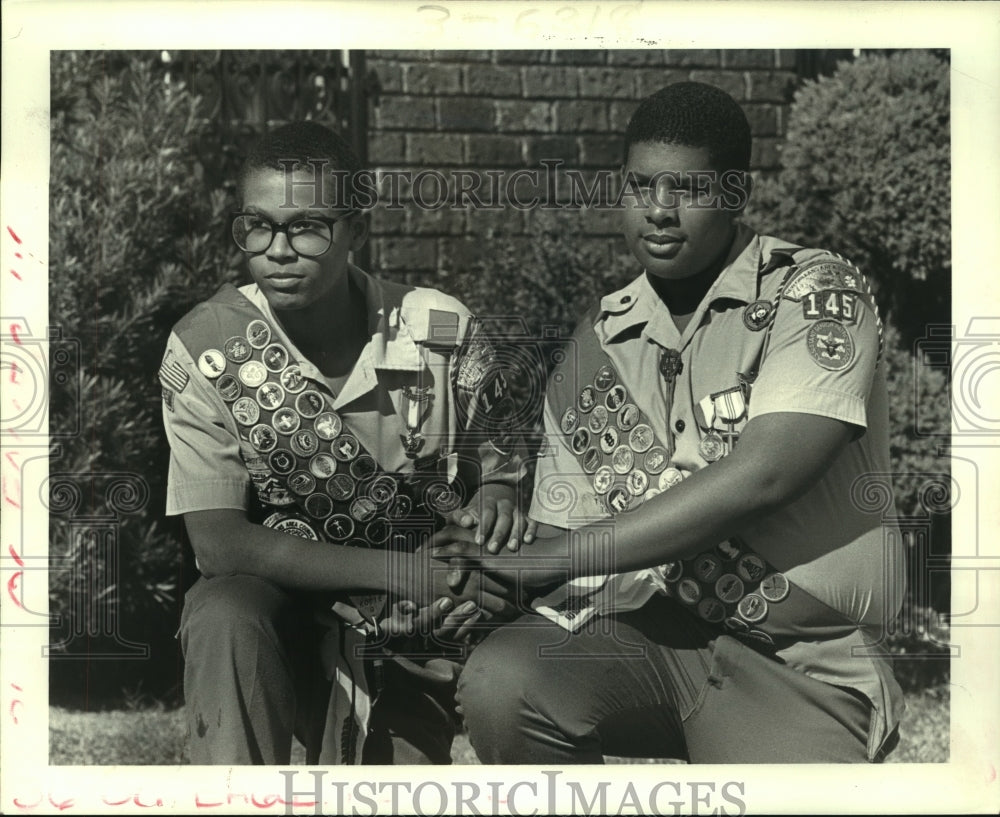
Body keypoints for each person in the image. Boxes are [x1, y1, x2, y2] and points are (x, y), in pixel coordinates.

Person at [447, 81, 905, 763]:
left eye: (687, 189)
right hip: (660, 638)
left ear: (736, 194)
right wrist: (476, 575)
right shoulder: (597, 342)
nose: (659, 211)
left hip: (802, 661)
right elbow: (558, 532)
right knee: (505, 679)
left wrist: (546, 558)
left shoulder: (812, 292)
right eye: (640, 186)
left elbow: (765, 475)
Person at [159, 121, 530, 765]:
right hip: (277, 613)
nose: (278, 250)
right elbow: (218, 544)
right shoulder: (206, 347)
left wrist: (496, 491)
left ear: (356, 230)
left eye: (307, 226)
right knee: (223, 614)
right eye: (258, 226)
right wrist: (407, 571)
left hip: (409, 627)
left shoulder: (440, 328)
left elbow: (502, 460)